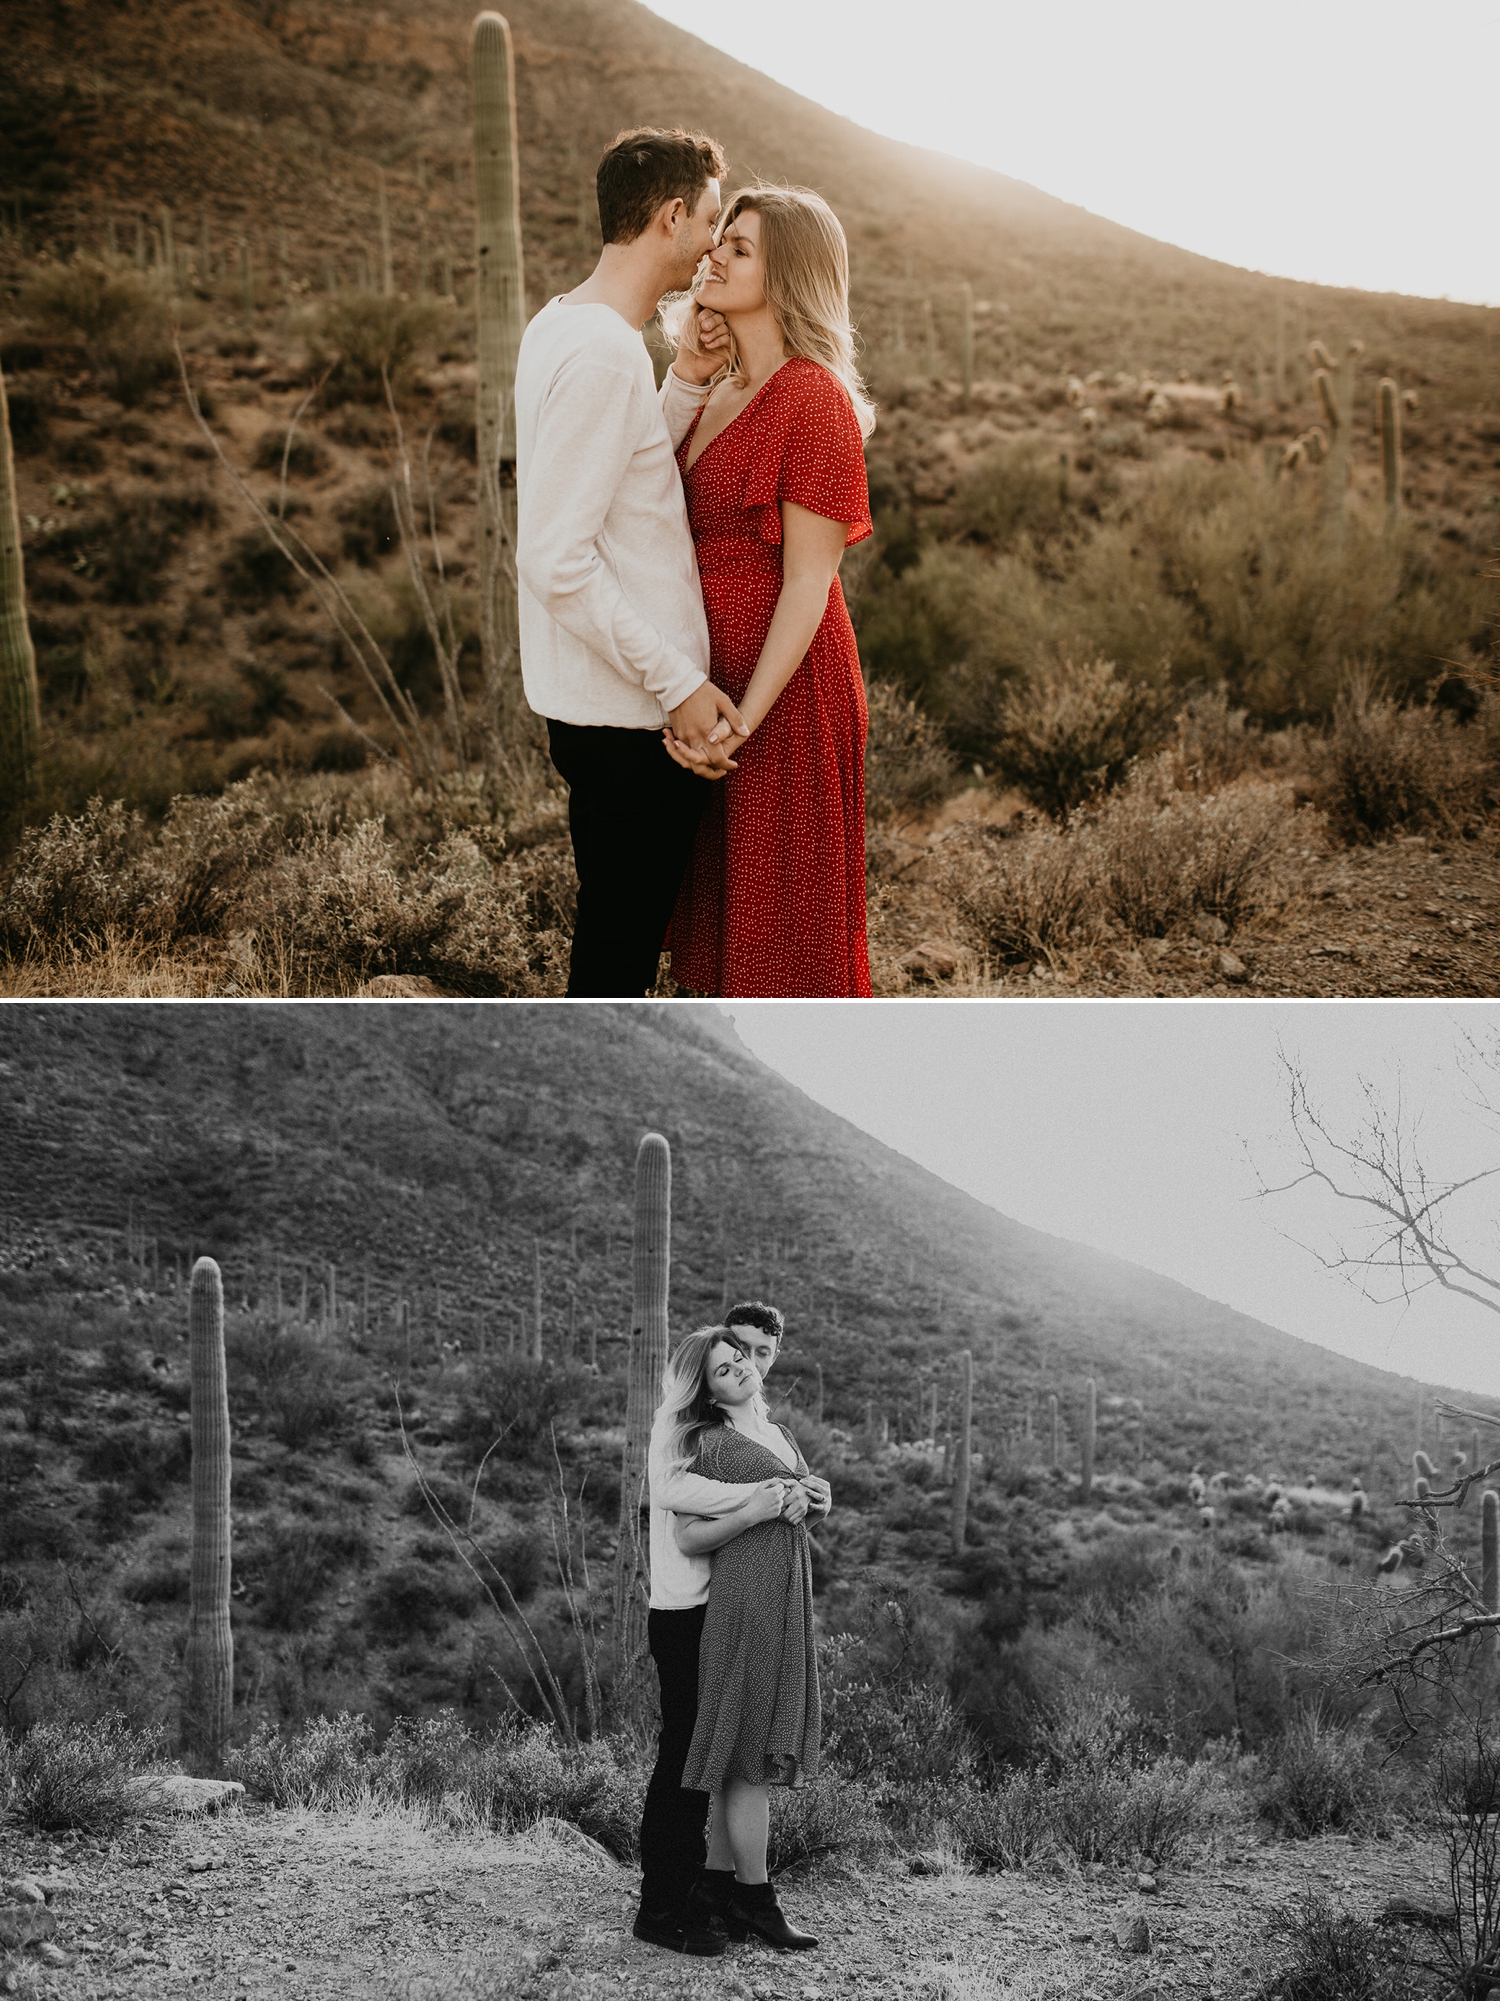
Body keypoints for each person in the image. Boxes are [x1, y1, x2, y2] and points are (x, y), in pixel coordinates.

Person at [514, 128, 750, 998]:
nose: (716, 247)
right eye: (713, 224)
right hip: (631, 722)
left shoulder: (564, 325)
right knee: (615, 963)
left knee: (615, 946)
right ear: (672, 216)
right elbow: (555, 559)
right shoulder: (606, 353)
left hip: (608, 712)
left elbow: (612, 483)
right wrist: (680, 685)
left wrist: (685, 378)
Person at [656, 185, 877, 998]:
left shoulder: (811, 397)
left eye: (739, 249)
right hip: (709, 698)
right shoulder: (716, 391)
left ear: (787, 277)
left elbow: (810, 581)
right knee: (721, 918)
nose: (714, 255)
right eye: (721, 242)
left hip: (782, 698)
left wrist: (744, 719)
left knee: (779, 925)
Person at [669, 1326, 830, 1952]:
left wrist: (814, 1500)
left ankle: (714, 1885)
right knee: (750, 1757)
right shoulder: (708, 1442)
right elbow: (688, 1535)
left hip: (788, 1597)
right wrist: (755, 1511)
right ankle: (757, 1898)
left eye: (737, 1357)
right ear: (705, 1390)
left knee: (748, 1750)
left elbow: (801, 1506)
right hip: (745, 1600)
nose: (735, 1367)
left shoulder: (779, 1433)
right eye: (719, 1368)